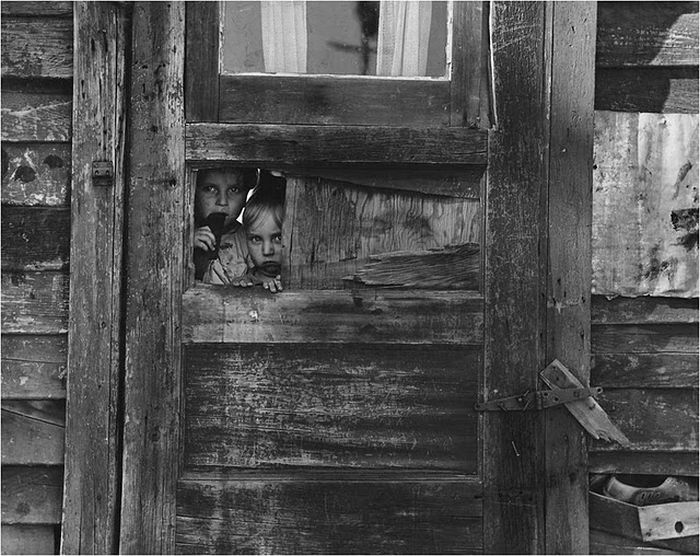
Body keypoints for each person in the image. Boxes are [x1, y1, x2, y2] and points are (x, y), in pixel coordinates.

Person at [193, 166, 256, 284]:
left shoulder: (250, 239)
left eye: (234, 190)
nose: (222, 202)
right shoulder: (182, 234)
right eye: (210, 189)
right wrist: (185, 246)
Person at [231, 183, 285, 293]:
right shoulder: (244, 282)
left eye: (278, 238)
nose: (267, 251)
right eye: (256, 239)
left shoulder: (305, 282)